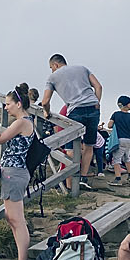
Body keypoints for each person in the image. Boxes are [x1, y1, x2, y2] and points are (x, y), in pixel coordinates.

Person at [0, 83, 37, 260]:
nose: (5, 107)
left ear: (18, 104)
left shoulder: (22, 122)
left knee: (17, 220)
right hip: (14, 172)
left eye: (8, 104)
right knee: (13, 219)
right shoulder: (26, 121)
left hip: (14, 173)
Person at [39, 54, 103, 193]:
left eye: (51, 68)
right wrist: (97, 102)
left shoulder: (53, 77)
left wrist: (46, 112)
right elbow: (98, 86)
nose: (52, 71)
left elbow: (45, 101)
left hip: (75, 111)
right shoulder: (82, 68)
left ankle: (69, 186)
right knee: (89, 145)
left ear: (55, 65)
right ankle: (83, 177)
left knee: (70, 149)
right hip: (93, 108)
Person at [105, 96, 130, 183]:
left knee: (116, 160)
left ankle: (118, 178)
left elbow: (109, 125)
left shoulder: (116, 114)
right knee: (127, 158)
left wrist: (115, 122)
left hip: (119, 140)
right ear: (127, 105)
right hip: (128, 140)